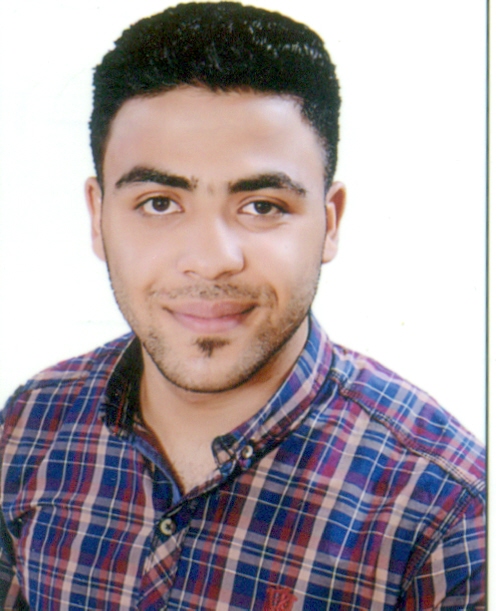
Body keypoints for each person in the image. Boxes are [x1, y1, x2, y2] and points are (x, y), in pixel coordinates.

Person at [0, 2, 485, 609]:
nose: (210, 260)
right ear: (98, 218)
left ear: (330, 223)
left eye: (262, 206)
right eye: (159, 203)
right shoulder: (29, 425)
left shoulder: (451, 517)